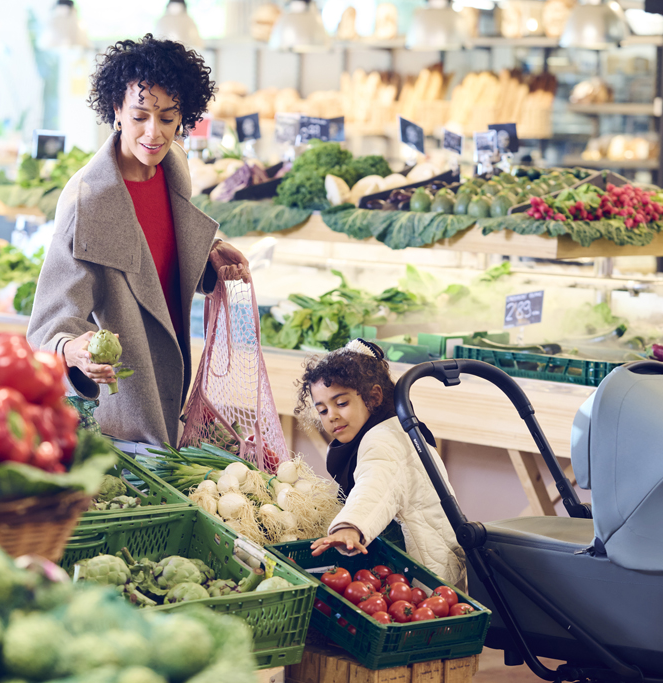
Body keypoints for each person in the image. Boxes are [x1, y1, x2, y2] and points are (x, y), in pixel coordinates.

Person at [27, 34, 251, 447]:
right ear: (116, 110)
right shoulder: (88, 202)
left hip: (178, 383)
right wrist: (73, 350)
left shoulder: (174, 167)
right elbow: (49, 325)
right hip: (127, 407)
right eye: (140, 116)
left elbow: (162, 248)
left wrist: (211, 254)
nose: (155, 133)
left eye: (167, 118)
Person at [300, 339, 466, 586]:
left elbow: (376, 487)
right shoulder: (393, 427)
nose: (332, 416)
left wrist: (350, 526)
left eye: (341, 403)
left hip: (425, 579)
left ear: (373, 396)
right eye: (322, 410)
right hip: (424, 568)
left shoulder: (384, 440)